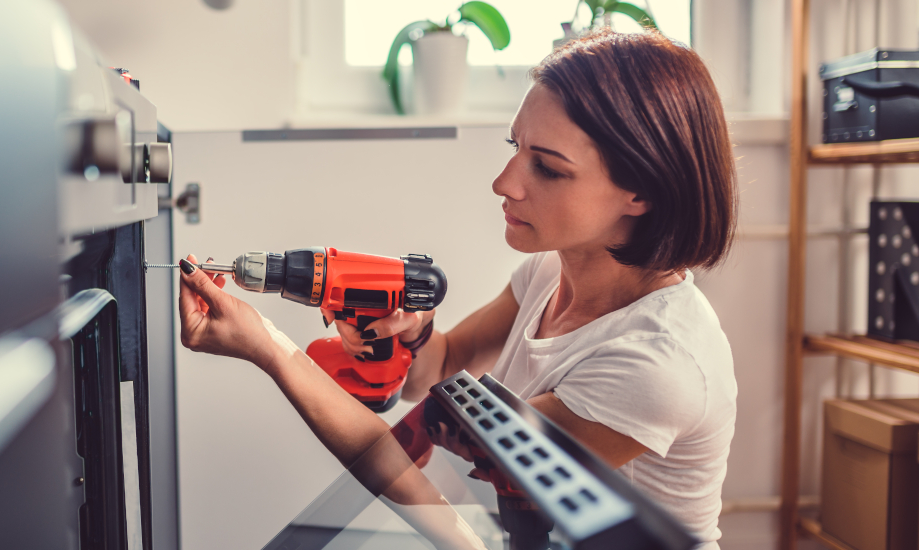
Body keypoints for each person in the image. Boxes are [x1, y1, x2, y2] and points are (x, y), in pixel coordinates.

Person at [177, 29, 737, 549]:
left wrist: (266, 346)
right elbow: (438, 371)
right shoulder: (551, 273)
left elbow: (428, 497)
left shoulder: (656, 366)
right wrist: (414, 338)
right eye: (515, 146)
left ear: (639, 190)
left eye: (546, 167)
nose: (504, 182)